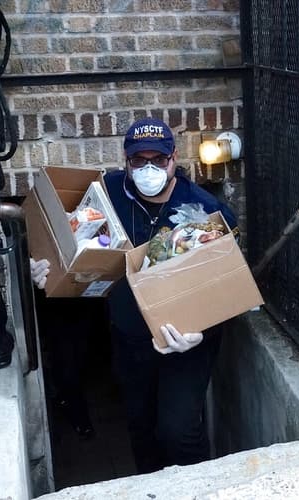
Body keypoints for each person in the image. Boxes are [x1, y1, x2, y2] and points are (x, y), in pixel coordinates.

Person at [30, 117, 238, 473]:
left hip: (184, 341)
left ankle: (199, 488)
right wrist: (43, 267)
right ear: (126, 162)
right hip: (129, 337)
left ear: (174, 159)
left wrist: (200, 331)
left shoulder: (204, 211)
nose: (149, 168)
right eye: (139, 161)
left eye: (158, 160)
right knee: (140, 428)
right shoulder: (106, 193)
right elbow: (65, 239)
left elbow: (226, 286)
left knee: (179, 432)